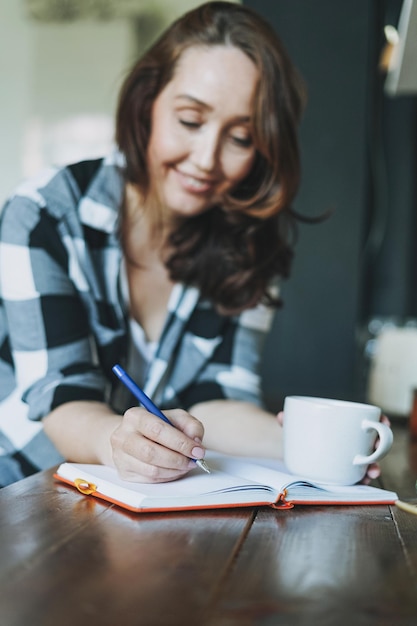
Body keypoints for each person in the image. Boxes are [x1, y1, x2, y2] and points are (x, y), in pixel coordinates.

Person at [0, 1, 379, 488]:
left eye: (240, 138)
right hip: (23, 486)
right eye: (190, 120)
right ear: (148, 103)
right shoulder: (41, 216)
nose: (206, 160)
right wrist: (124, 442)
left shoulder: (248, 238)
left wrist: (320, 442)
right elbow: (62, 398)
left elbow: (219, 398)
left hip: (138, 505)